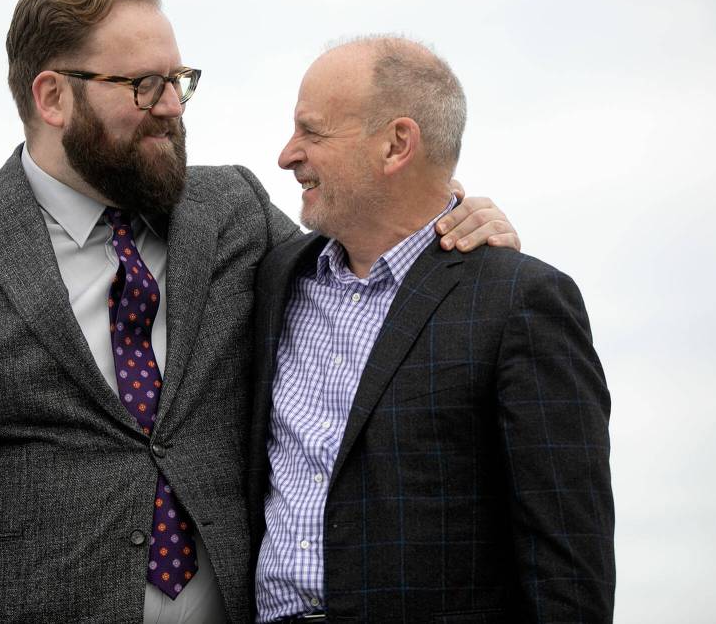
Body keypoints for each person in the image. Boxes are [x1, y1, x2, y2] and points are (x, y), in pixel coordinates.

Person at [0, 0, 517, 624]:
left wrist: (449, 217)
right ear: (52, 98)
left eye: (178, 81)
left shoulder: (234, 208)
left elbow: (360, 274)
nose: (169, 106)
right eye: (143, 85)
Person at [247, 37, 615, 623]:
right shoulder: (272, 279)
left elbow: (568, 564)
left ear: (396, 144)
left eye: (312, 132)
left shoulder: (521, 300)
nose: (288, 154)